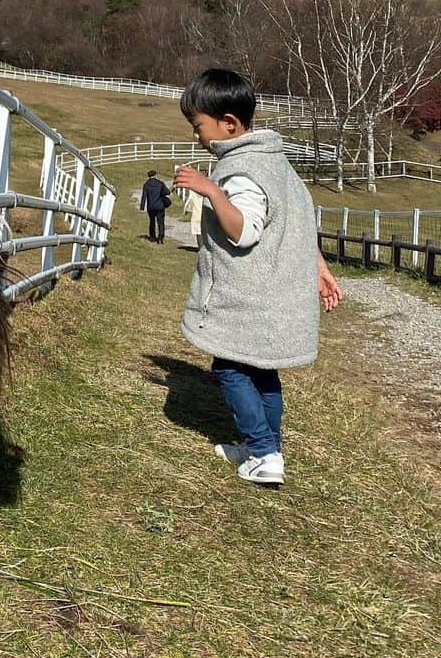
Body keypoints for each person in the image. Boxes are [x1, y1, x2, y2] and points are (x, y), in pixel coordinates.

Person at [172, 68, 342, 486]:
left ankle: (263, 452)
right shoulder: (278, 164)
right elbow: (294, 223)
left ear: (228, 124)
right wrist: (319, 266)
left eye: (199, 128)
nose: (198, 137)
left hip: (250, 299)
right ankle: (265, 447)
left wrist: (210, 190)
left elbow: (244, 231)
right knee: (264, 374)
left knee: (230, 369)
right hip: (274, 300)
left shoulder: (243, 171)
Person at [139, 169, 171, 243]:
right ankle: (160, 238)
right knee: (161, 222)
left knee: (152, 221)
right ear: (155, 175)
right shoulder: (160, 183)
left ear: (148, 176)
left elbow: (144, 196)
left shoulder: (146, 184)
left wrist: (142, 207)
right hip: (160, 206)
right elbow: (167, 192)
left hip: (151, 207)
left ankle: (152, 237)